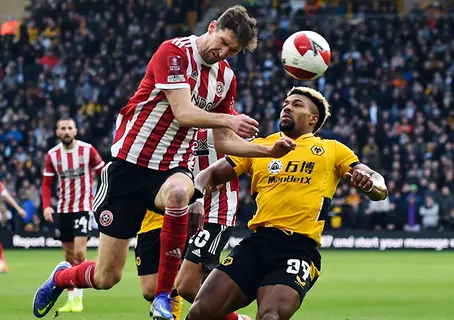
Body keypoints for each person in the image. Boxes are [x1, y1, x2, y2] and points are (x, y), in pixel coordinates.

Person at [32, 6, 295, 320]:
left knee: (181, 194)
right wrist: (228, 119)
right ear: (212, 26)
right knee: (106, 277)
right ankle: (62, 276)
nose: (222, 52)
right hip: (128, 167)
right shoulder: (173, 53)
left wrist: (269, 152)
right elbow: (183, 113)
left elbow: (223, 142)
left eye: (232, 51)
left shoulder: (225, 77)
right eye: (222, 42)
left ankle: (162, 298)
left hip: (171, 169)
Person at [186, 87, 388, 319]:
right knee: (200, 313)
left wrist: (371, 184)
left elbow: (378, 184)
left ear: (313, 119)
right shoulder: (261, 147)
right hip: (257, 243)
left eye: (297, 104)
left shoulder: (332, 150)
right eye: (286, 103)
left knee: (270, 316)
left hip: (298, 249)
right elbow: (207, 176)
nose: (287, 107)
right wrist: (197, 196)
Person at [135, 128, 249, 320]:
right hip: (184, 212)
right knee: (154, 288)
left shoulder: (225, 121)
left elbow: (247, 157)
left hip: (215, 212)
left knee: (186, 285)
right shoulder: (176, 126)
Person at [41, 118, 105, 313]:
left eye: (70, 128)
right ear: (57, 132)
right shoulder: (52, 155)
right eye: (63, 128)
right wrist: (46, 206)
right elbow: (46, 184)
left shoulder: (88, 150)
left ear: (76, 131)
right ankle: (71, 298)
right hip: (63, 209)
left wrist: (104, 197)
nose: (67, 131)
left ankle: (79, 299)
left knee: (79, 252)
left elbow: (103, 173)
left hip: (83, 207)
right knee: (68, 256)